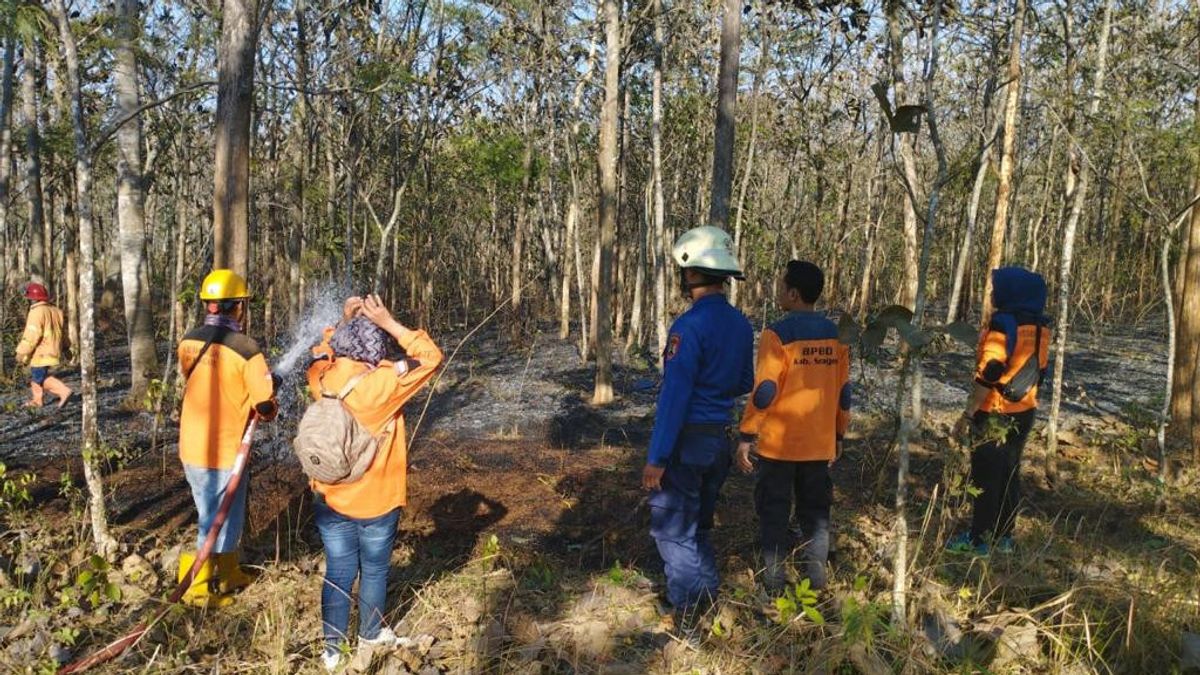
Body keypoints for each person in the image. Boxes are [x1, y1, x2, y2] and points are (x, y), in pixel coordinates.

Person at [305, 294, 443, 671]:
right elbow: (431, 357)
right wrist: (390, 322)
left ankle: (332, 651)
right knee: (376, 569)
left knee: (338, 571)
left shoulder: (323, 378)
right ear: (377, 346)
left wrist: (342, 321)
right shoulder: (382, 383)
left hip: (329, 497)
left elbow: (322, 349)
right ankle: (370, 633)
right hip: (377, 500)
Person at [643, 226, 754, 626]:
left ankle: (688, 616)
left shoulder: (687, 328)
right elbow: (744, 381)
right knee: (699, 527)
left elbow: (674, 400)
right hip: (717, 443)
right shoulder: (741, 325)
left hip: (686, 443)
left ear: (691, 274)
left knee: (674, 532)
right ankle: (707, 599)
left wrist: (656, 458)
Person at [735, 261, 850, 592]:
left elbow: (765, 390)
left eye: (782, 286)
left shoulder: (777, 334)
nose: (778, 291)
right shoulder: (836, 336)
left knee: (774, 514)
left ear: (794, 293)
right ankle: (816, 587)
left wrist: (746, 435)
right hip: (818, 445)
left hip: (778, 446)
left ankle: (773, 589)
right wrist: (839, 433)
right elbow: (844, 392)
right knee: (816, 518)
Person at [176, 269, 279, 607]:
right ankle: (196, 587)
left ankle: (229, 571)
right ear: (237, 307)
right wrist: (270, 389)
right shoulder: (247, 348)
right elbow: (264, 406)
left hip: (192, 444)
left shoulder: (189, 340)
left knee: (224, 514)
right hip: (222, 449)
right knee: (213, 519)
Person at [948, 267, 1051, 557]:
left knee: (985, 478)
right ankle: (1004, 537)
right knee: (1009, 473)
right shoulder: (1040, 327)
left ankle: (979, 540)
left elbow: (990, 371)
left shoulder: (1002, 324)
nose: (992, 293)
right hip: (1025, 410)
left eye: (995, 288)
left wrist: (969, 413)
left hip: (994, 411)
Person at [15, 282, 72, 409]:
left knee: (38, 376)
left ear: (33, 298)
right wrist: (66, 347)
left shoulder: (36, 312)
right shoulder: (56, 311)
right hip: (53, 349)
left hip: (41, 350)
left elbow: (32, 334)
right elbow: (62, 333)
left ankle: (63, 391)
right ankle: (37, 400)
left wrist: (22, 351)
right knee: (37, 375)